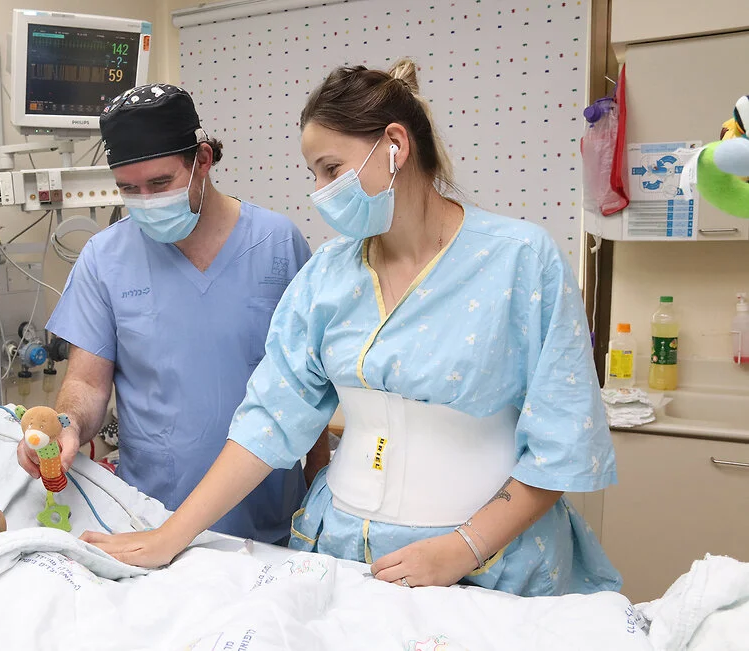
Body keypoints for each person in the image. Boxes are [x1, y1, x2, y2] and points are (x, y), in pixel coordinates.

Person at [82, 60, 623, 597]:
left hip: (493, 558)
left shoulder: (521, 260)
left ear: (395, 145)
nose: (319, 192)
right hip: (342, 550)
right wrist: (170, 535)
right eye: (313, 174)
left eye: (331, 169)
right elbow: (268, 421)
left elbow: (560, 445)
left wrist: (464, 548)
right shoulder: (328, 275)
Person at [22, 84, 330, 544]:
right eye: (129, 188)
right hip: (150, 518)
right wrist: (65, 426)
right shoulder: (104, 258)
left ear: (202, 160)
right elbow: (86, 383)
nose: (145, 199)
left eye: (161, 183)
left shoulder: (278, 244)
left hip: (271, 521)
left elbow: (311, 385)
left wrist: (316, 487)